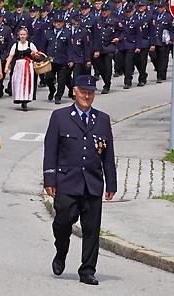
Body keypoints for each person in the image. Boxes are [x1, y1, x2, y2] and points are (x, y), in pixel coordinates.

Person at [43, 75, 116, 285]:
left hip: (92, 183)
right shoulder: (60, 116)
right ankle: (61, 249)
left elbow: (108, 154)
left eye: (91, 93)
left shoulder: (102, 119)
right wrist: (50, 178)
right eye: (83, 92)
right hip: (66, 182)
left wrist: (111, 183)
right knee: (63, 221)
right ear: (74, 91)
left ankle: (87, 271)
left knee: (92, 228)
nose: (87, 96)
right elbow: (51, 149)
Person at [5, 28, 38, 111]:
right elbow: (10, 57)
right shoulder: (15, 45)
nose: (22, 36)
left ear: (27, 35)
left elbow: (38, 55)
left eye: (24, 34)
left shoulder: (30, 44)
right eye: (21, 34)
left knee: (27, 83)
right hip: (18, 67)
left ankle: (25, 102)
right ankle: (19, 98)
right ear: (19, 35)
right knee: (18, 83)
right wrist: (6, 67)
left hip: (28, 66)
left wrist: (34, 54)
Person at [92, 4, 119, 94]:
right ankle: (106, 80)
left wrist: (118, 39)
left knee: (107, 66)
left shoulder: (114, 21)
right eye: (102, 10)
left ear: (109, 11)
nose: (104, 12)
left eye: (106, 10)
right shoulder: (97, 20)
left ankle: (107, 85)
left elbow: (123, 31)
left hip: (109, 47)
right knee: (100, 66)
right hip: (99, 47)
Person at [44, 14, 71, 104]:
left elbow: (71, 48)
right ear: (53, 23)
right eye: (56, 22)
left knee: (61, 80)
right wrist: (42, 58)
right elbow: (44, 47)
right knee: (48, 78)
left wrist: (70, 59)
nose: (58, 24)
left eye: (59, 22)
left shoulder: (67, 33)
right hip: (50, 60)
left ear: (63, 23)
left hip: (62, 60)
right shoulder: (48, 33)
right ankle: (52, 90)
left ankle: (58, 96)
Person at [67, 13, 91, 100]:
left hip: (78, 57)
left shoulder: (83, 32)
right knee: (66, 76)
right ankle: (71, 89)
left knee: (76, 77)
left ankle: (75, 93)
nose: (77, 22)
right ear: (72, 21)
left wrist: (88, 59)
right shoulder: (67, 30)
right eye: (76, 20)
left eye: (79, 21)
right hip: (68, 56)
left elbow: (86, 46)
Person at [117, 5, 139, 89]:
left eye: (129, 12)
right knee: (121, 63)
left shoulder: (135, 22)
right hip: (122, 45)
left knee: (128, 63)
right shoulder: (121, 21)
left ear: (132, 12)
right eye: (126, 12)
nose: (128, 13)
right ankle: (127, 74)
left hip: (131, 45)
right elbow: (117, 32)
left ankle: (128, 81)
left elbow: (138, 35)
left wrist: (138, 46)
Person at [151, 2, 174, 84]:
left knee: (163, 59)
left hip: (163, 41)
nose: (159, 9)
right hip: (154, 40)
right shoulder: (154, 16)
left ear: (164, 8)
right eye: (158, 7)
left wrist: (172, 38)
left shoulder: (168, 17)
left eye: (161, 7)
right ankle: (159, 70)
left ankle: (160, 75)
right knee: (153, 57)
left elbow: (171, 28)